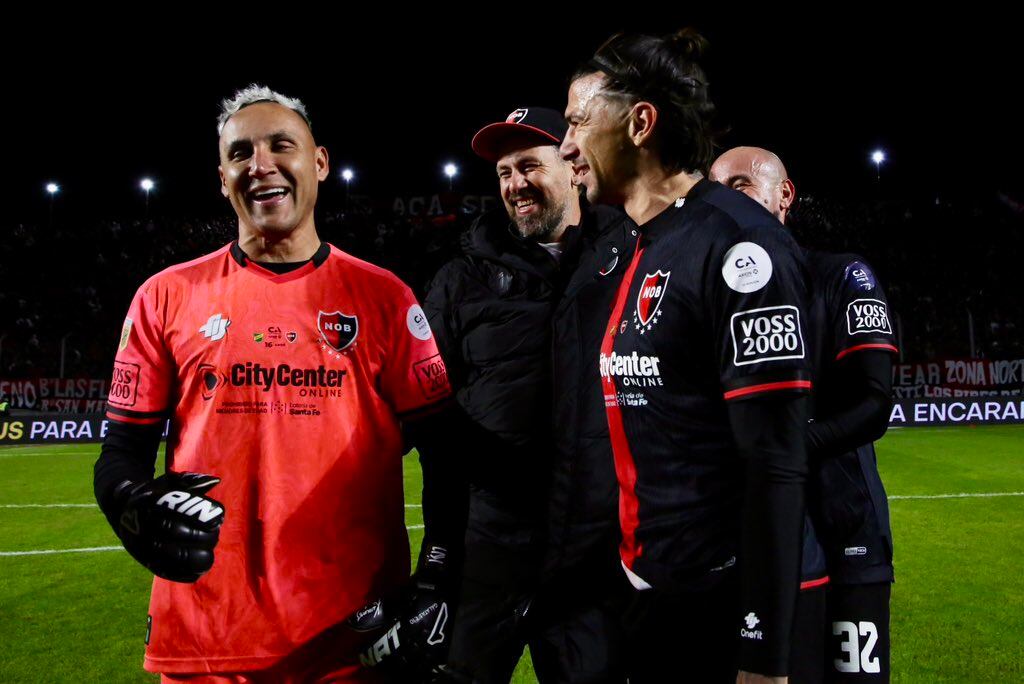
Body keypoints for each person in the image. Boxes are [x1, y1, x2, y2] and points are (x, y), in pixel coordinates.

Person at [93, 85, 463, 683]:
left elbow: (447, 455)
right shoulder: (164, 297)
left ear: (319, 162)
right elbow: (121, 452)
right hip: (205, 643)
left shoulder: (386, 298)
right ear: (223, 179)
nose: (260, 164)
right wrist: (128, 505)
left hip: (355, 643)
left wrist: (438, 578)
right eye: (240, 153)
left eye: (280, 145)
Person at [560, 30, 812, 683]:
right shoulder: (632, 243)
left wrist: (763, 653)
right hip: (645, 597)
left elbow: (774, 460)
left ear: (640, 123)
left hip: (717, 612)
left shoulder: (739, 245)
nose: (566, 147)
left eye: (578, 123)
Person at [424, 107, 634, 683]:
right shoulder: (459, 281)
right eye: (504, 172)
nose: (514, 183)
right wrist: (438, 553)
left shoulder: (631, 261)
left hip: (593, 554)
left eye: (529, 166)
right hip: (489, 548)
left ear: (573, 168)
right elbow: (431, 422)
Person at [711, 147, 896, 682]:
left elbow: (873, 404)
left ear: (783, 195)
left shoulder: (840, 275)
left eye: (741, 186)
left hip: (845, 527)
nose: (725, 201)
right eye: (715, 190)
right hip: (763, 534)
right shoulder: (710, 292)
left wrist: (783, 446)